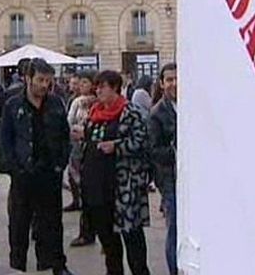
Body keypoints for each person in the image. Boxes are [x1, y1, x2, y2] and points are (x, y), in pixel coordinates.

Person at [72, 70, 151, 275]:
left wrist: (117, 146)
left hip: (123, 186)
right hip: (97, 186)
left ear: (114, 87)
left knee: (132, 238)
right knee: (108, 241)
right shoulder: (94, 111)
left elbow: (142, 141)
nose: (97, 90)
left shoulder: (130, 111)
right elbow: (92, 140)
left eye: (102, 86)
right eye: (96, 86)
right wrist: (84, 136)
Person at [1, 58, 74, 275]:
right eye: (40, 80)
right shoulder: (12, 105)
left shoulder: (55, 103)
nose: (44, 85)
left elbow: (64, 135)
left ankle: (57, 266)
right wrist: (15, 168)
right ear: (27, 78)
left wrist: (61, 162)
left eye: (48, 81)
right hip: (23, 177)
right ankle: (17, 267)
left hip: (49, 174)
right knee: (19, 227)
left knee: (53, 224)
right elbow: (6, 140)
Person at [148, 63, 178, 275]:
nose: (174, 84)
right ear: (161, 83)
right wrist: (176, 150)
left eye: (178, 78)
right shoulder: (157, 113)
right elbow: (154, 150)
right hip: (169, 178)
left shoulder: (194, 106)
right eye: (169, 80)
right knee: (174, 226)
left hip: (194, 180)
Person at [67, 70, 97, 247]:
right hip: (78, 148)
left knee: (89, 193)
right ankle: (86, 231)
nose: (80, 86)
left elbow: (70, 121)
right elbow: (69, 121)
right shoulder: (77, 101)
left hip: (88, 150)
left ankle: (88, 232)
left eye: (85, 82)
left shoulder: (91, 103)